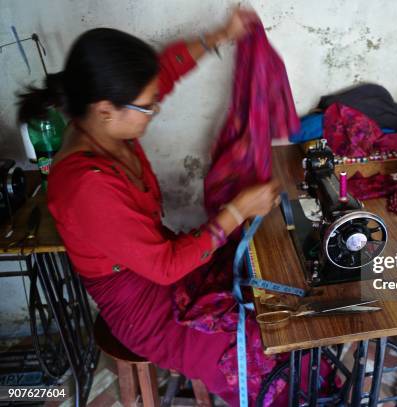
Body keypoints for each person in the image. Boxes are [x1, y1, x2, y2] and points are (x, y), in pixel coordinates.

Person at [17, 8, 283, 405]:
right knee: (249, 345)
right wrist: (238, 209)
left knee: (263, 287)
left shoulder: (103, 124)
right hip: (147, 311)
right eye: (147, 107)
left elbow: (166, 70)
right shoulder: (84, 187)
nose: (155, 110)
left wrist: (221, 34)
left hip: (162, 267)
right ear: (106, 110)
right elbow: (165, 267)